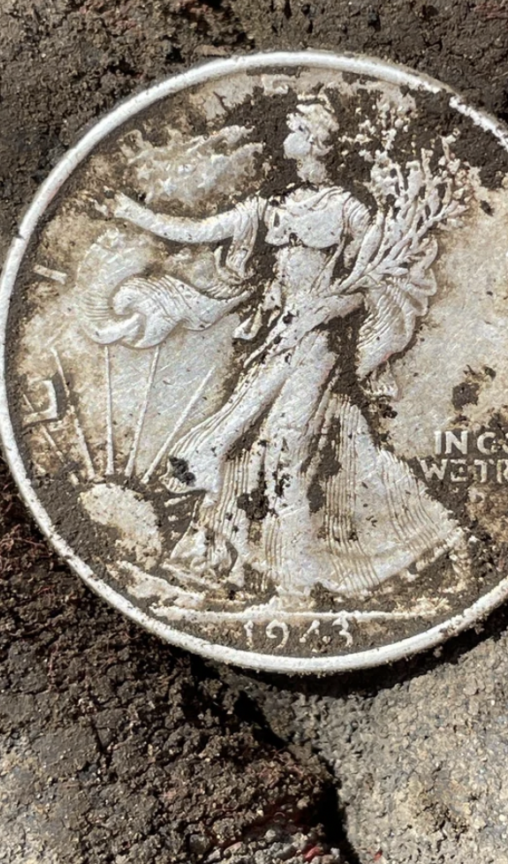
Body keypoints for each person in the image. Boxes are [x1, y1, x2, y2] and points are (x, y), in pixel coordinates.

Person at [94, 97, 466, 605]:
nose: (283, 137)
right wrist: (132, 213)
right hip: (278, 337)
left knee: (283, 449)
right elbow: (198, 233)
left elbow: (374, 283)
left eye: (292, 128)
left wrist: (328, 310)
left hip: (321, 343)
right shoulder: (272, 208)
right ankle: (243, 563)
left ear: (313, 141)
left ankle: (296, 587)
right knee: (266, 447)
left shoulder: (349, 210)